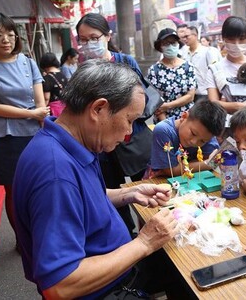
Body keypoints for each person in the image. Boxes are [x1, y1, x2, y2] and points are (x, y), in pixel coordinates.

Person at [13, 60, 179, 299]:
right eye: (129, 120)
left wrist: (129, 194)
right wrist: (144, 243)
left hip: (117, 266)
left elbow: (83, 200)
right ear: (98, 109)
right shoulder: (55, 174)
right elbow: (60, 285)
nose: (129, 133)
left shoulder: (71, 143)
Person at [0, 12, 49, 246]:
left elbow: (40, 102)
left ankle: (44, 232)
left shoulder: (28, 61)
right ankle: (23, 239)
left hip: (35, 132)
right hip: (5, 137)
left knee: (42, 185)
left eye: (10, 34)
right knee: (14, 191)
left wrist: (41, 116)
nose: (6, 39)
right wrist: (31, 114)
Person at [76, 12, 149, 236]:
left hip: (132, 139)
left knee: (144, 188)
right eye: (83, 39)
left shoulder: (126, 61)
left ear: (108, 36)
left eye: (94, 37)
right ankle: (125, 236)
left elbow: (140, 98)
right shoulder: (83, 70)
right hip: (102, 146)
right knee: (113, 193)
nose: (88, 43)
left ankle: (149, 231)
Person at [205, 16, 246, 118]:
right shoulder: (215, 69)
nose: (236, 44)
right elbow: (213, 103)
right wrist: (238, 106)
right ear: (223, 39)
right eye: (231, 39)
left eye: (241, 39)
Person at [148, 99, 226, 178]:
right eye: (193, 133)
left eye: (202, 141)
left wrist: (211, 162)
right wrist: (209, 164)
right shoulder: (163, 130)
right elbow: (171, 171)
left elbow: (216, 159)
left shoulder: (206, 134)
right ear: (184, 116)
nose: (194, 142)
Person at [148, 28, 196, 123]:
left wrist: (167, 106)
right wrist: (167, 126)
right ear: (160, 46)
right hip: (164, 121)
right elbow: (155, 101)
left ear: (178, 44)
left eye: (173, 43)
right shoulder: (154, 70)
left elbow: (190, 96)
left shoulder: (188, 67)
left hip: (188, 119)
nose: (170, 46)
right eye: (166, 44)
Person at [181, 26, 221, 102]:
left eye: (187, 36)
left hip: (205, 93)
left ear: (195, 35)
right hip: (189, 94)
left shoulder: (208, 52)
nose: (184, 39)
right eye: (183, 37)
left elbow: (216, 73)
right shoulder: (183, 53)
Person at [39, 52, 68, 117]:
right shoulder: (63, 75)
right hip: (65, 108)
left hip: (54, 111)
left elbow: (46, 98)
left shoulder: (47, 78)